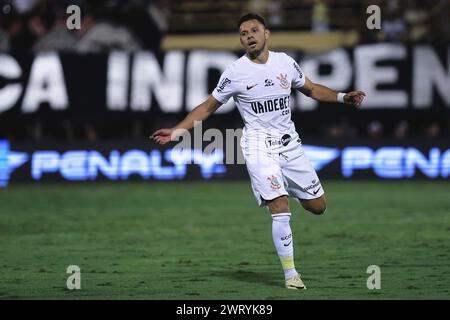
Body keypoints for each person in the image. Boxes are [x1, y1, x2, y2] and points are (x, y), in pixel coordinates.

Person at [151, 13, 365, 290]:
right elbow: (208, 107)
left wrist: (341, 97)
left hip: (290, 145)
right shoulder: (235, 72)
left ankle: (289, 187)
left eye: (254, 30)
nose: (249, 35)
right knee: (280, 207)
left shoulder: (285, 63)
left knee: (318, 207)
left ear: (267, 34)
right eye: (243, 33)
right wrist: (178, 131)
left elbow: (311, 89)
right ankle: (291, 275)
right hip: (258, 147)